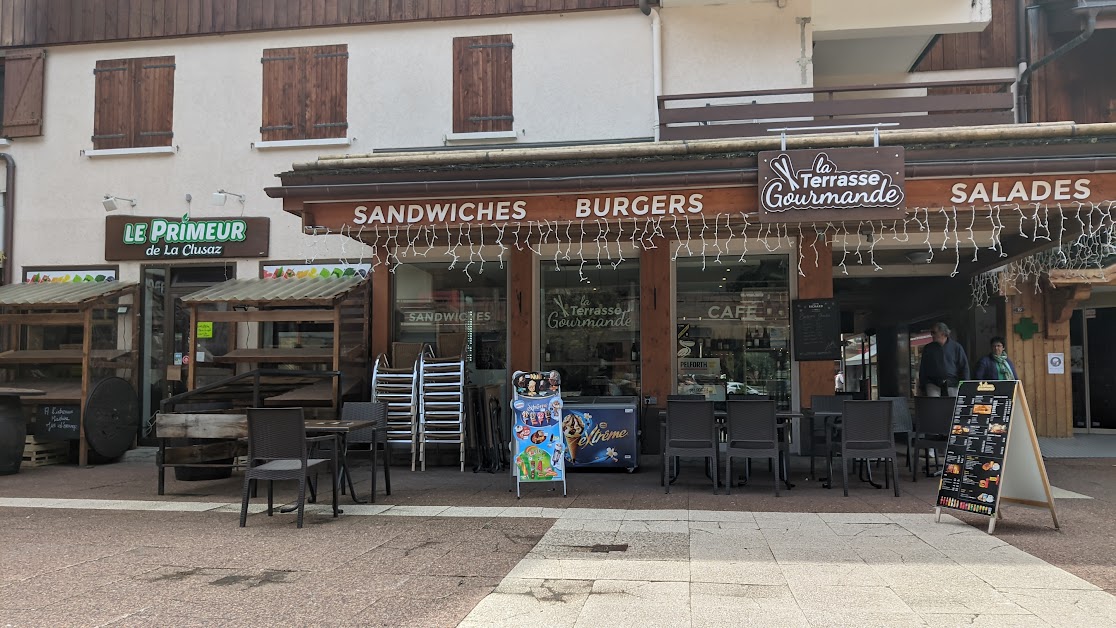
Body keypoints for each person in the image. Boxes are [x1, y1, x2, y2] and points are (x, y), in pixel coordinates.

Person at [918, 322, 970, 397]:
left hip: (953, 383)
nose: (932, 335)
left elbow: (964, 367)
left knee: (953, 405)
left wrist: (965, 384)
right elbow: (923, 368)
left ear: (942, 333)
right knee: (934, 406)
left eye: (934, 332)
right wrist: (922, 385)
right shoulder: (928, 348)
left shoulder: (956, 347)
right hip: (933, 383)